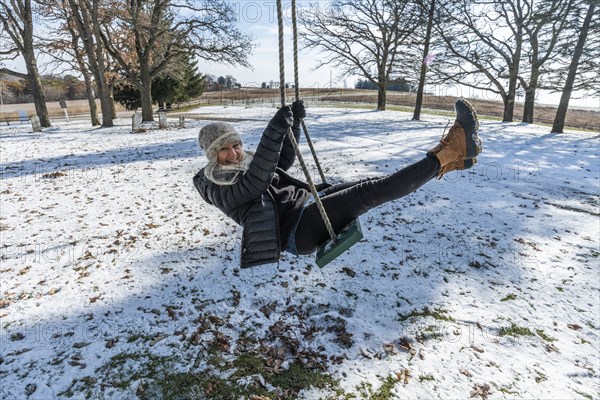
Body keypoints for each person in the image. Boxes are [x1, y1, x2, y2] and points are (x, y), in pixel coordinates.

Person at [193, 99, 482, 268]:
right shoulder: (214, 184)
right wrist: (273, 129)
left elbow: (281, 162)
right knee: (370, 192)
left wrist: (292, 125)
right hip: (297, 230)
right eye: (224, 149)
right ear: (212, 155)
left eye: (236, 145)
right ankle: (451, 150)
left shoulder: (247, 161)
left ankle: (456, 158)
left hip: (307, 204)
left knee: (372, 184)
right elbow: (256, 183)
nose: (233, 153)